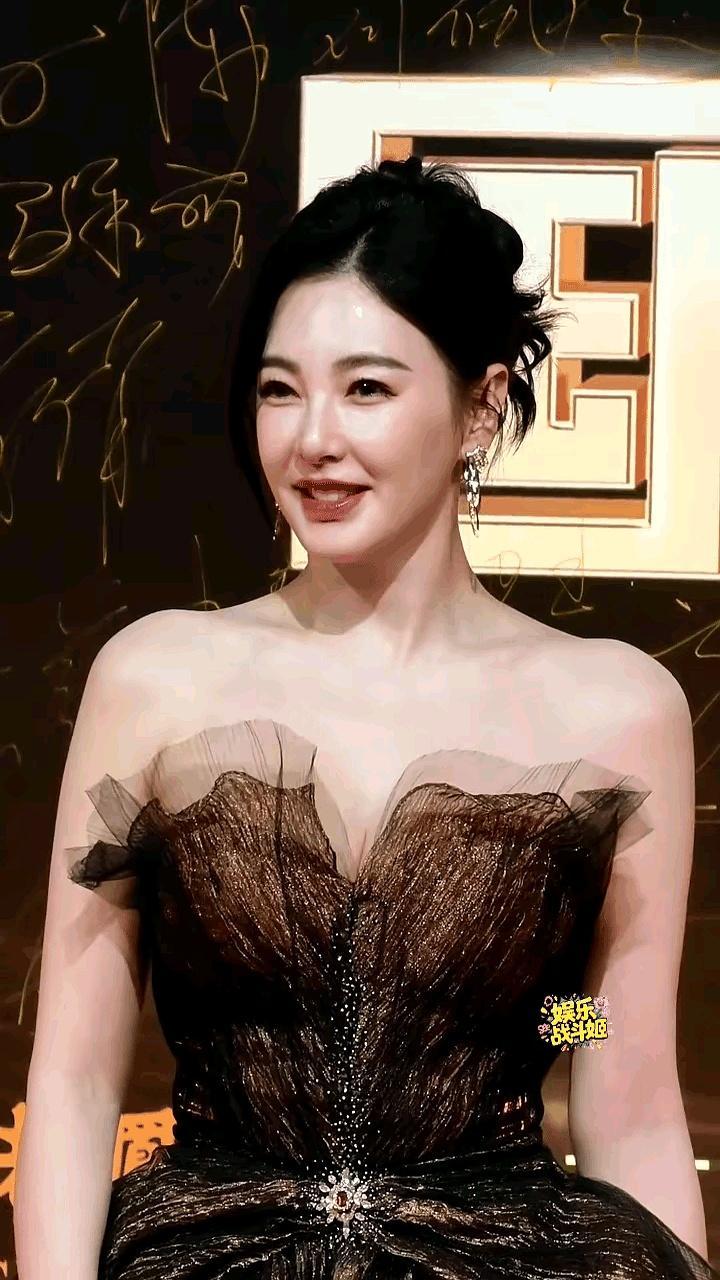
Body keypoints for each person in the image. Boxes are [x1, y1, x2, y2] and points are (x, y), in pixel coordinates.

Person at [14, 156, 716, 1280]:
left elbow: (612, 1070)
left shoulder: (618, 709)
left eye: (368, 389)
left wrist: (558, 1016)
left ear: (482, 406)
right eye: (279, 389)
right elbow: (77, 1075)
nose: (312, 438)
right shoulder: (155, 679)